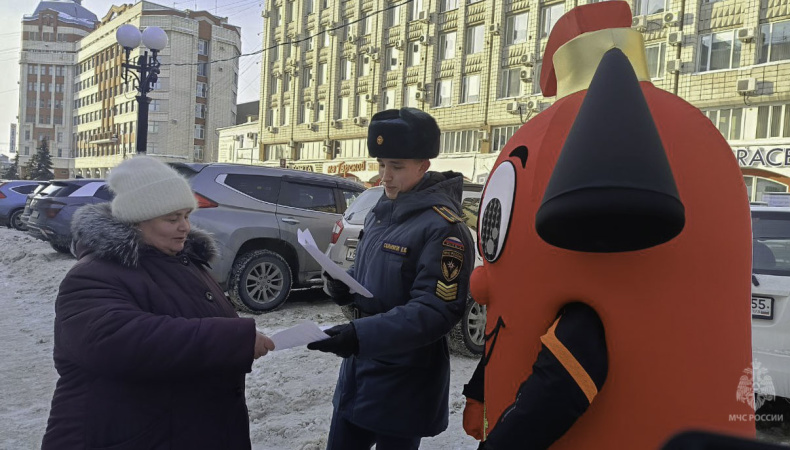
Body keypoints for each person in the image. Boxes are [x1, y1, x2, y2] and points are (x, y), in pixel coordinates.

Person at [41, 156, 274, 450]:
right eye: (172, 219)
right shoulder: (93, 274)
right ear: (137, 221)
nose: (185, 227)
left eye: (187, 215)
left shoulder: (184, 263)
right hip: (126, 436)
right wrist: (233, 340)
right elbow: (117, 341)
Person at [308, 107, 475, 450]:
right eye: (382, 164)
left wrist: (360, 335)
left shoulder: (445, 228)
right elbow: (372, 279)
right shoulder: (381, 213)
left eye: (396, 167)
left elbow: (435, 310)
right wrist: (343, 286)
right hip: (359, 373)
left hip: (405, 380)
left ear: (423, 166)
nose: (385, 176)